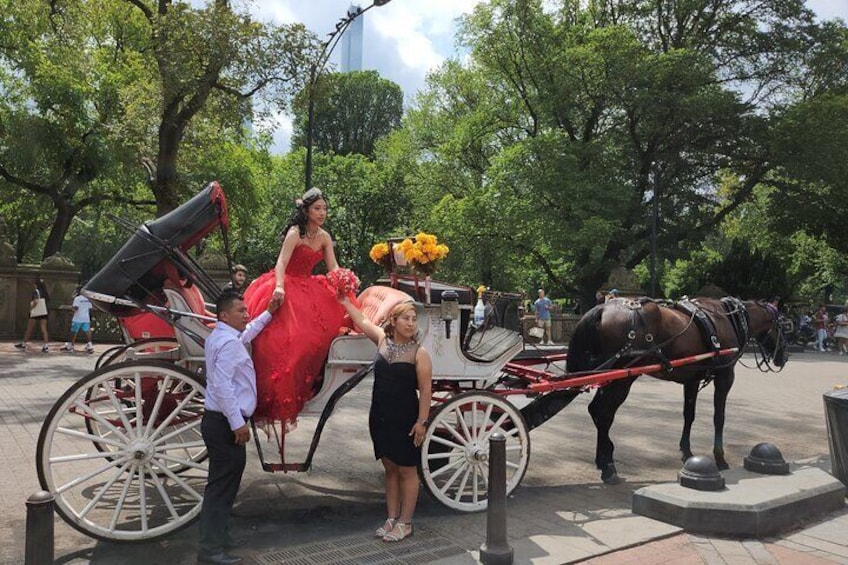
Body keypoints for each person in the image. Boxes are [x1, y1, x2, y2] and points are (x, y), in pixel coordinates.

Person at [242, 187, 346, 426]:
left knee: (317, 336)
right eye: (317, 208)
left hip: (310, 288)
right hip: (286, 284)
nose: (322, 213)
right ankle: (271, 396)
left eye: (325, 208)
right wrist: (279, 287)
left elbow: (333, 267)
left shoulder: (324, 237)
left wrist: (344, 280)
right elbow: (281, 263)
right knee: (286, 339)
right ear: (306, 210)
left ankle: (311, 384)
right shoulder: (295, 233)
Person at [338, 296, 432, 542]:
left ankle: (406, 522)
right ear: (394, 320)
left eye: (414, 319)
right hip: (379, 416)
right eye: (406, 318)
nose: (411, 323)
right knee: (390, 468)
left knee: (407, 470)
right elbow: (362, 320)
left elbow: (425, 391)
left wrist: (421, 422)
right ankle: (391, 517)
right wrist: (344, 300)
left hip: (405, 418)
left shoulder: (419, 353)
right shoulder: (382, 340)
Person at [197, 290, 280, 565]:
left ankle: (221, 537)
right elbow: (221, 386)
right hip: (224, 423)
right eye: (241, 311)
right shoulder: (229, 343)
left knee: (225, 485)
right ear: (224, 316)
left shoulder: (223, 337)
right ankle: (210, 551)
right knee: (220, 488)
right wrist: (237, 423)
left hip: (218, 421)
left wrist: (268, 312)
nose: (247, 315)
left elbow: (246, 334)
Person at [15, 276, 51, 353]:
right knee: (44, 329)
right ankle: (46, 346)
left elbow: (36, 302)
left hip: (35, 312)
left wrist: (30, 309)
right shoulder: (45, 292)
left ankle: (24, 343)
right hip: (44, 311)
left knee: (29, 328)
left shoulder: (36, 291)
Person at [60, 285, 94, 353]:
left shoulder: (77, 299)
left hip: (77, 318)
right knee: (87, 332)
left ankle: (70, 346)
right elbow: (90, 308)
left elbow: (76, 308)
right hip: (86, 318)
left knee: (73, 332)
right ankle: (90, 345)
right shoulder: (88, 299)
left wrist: (72, 308)